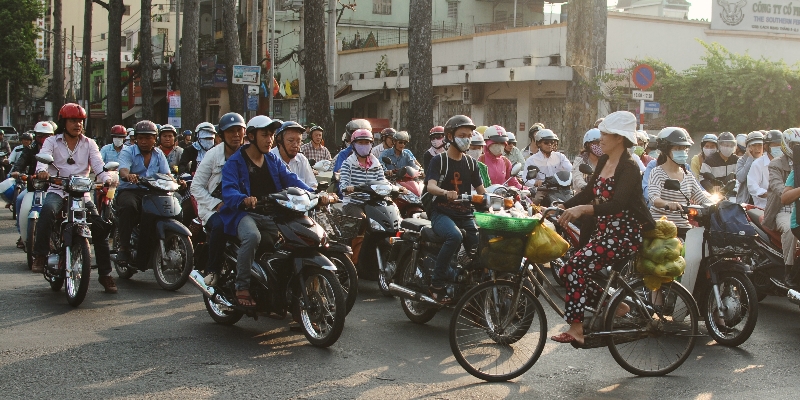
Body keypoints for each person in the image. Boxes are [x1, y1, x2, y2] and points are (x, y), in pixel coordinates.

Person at [552, 111, 655, 345]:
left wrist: (583, 210)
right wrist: (561, 205)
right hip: (604, 233)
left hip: (623, 236)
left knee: (575, 268)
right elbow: (588, 193)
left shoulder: (629, 167)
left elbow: (617, 204)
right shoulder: (606, 161)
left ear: (619, 138)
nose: (600, 139)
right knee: (567, 270)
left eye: (605, 134)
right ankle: (615, 304)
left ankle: (576, 328)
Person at [219, 113, 324, 307]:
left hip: (272, 213)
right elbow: (229, 190)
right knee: (252, 237)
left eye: (271, 135)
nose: (270, 140)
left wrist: (314, 194)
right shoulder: (235, 161)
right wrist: (244, 199)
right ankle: (242, 287)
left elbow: (291, 179)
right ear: (251, 136)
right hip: (244, 214)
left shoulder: (272, 160)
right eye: (265, 135)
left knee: (293, 237)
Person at [31, 103, 117, 293]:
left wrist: (107, 179)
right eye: (72, 120)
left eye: (79, 121)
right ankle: (40, 255)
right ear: (63, 122)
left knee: (100, 227)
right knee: (47, 211)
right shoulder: (52, 142)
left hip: (81, 193)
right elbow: (43, 160)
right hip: (57, 190)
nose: (77, 124)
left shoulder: (89, 143)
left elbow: (99, 166)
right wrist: (42, 172)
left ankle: (105, 274)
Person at [425, 115, 486, 304]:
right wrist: (445, 192)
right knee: (455, 236)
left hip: (464, 213)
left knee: (480, 246)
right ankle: (437, 283)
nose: (467, 139)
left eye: (469, 135)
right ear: (450, 136)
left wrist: (499, 199)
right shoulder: (439, 161)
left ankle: (472, 288)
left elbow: (482, 191)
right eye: (462, 135)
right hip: (441, 212)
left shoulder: (471, 163)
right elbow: (430, 186)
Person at [193, 113, 255, 286]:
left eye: (238, 131)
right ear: (221, 136)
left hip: (241, 205)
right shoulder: (213, 155)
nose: (235, 135)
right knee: (221, 226)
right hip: (213, 207)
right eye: (230, 132)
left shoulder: (249, 152)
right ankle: (212, 269)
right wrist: (216, 204)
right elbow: (196, 186)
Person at [114, 120, 171, 266]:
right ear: (136, 139)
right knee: (128, 207)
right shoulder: (128, 151)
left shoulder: (159, 154)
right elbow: (123, 169)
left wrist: (177, 182)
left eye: (148, 138)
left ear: (155, 139)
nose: (144, 141)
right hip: (130, 190)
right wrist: (128, 175)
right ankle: (124, 247)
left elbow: (167, 174)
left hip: (152, 192)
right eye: (140, 138)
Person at [647, 127, 710, 237]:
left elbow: (701, 198)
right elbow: (653, 198)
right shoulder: (657, 172)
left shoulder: (688, 176)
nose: (683, 152)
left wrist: (720, 204)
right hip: (661, 228)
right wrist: (667, 203)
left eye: (684, 148)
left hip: (683, 227)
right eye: (678, 148)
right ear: (666, 150)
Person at [339, 128, 390, 260]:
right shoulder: (348, 164)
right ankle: (354, 258)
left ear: (371, 144)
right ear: (353, 145)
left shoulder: (376, 163)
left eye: (366, 142)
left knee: (388, 219)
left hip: (372, 203)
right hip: (353, 202)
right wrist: (348, 188)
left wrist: (394, 188)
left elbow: (383, 181)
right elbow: (343, 183)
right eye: (360, 142)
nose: (363, 145)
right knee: (361, 219)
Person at [11, 124, 53, 248]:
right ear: (35, 136)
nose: (43, 139)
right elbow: (21, 162)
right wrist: (17, 171)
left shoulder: (57, 148)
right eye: (40, 135)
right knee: (19, 200)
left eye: (47, 136)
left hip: (53, 186)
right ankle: (22, 234)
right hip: (33, 185)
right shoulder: (30, 149)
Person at [768, 128, 800, 288]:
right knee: (789, 228)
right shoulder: (776, 164)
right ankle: (789, 270)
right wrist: (794, 193)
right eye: (795, 145)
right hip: (784, 210)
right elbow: (779, 188)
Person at [270, 121, 318, 189]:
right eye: (290, 140)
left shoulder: (302, 159)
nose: (295, 145)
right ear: (279, 140)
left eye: (299, 141)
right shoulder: (269, 159)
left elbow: (313, 185)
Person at [333, 119, 372, 196]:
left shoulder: (372, 156)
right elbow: (338, 175)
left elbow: (381, 178)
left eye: (366, 142)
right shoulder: (344, 154)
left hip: (370, 195)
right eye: (360, 142)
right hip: (351, 196)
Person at [747, 131, 781, 209]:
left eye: (780, 145)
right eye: (775, 145)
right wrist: (769, 194)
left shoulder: (785, 162)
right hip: (764, 208)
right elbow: (752, 187)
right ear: (766, 147)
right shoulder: (758, 164)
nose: (778, 147)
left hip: (784, 206)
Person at [735, 131, 765, 204]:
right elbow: (741, 178)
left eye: (760, 145)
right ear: (748, 147)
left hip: (762, 200)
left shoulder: (766, 161)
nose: (757, 149)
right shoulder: (741, 161)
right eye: (754, 145)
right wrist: (750, 159)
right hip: (746, 200)